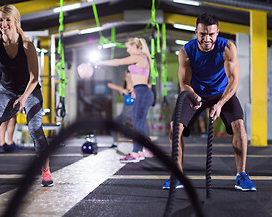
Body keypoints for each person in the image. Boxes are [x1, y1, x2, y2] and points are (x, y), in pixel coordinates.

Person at [163, 13, 256, 191]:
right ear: (196, 32)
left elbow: (234, 80)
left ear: (217, 33)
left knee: (239, 126)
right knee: (175, 127)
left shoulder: (227, 47)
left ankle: (241, 175)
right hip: (195, 93)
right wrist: (194, 96)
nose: (207, 38)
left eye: (211, 34)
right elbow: (184, 83)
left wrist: (220, 103)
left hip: (221, 93)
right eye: (203, 34)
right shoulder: (186, 51)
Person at [0, 4, 53, 187]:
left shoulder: (27, 45)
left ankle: (46, 172)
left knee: (35, 129)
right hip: (6, 91)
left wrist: (23, 99)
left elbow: (34, 79)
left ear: (15, 21)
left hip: (30, 91)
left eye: (8, 19)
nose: (4, 23)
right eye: (1, 20)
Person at [97, 37, 154, 162]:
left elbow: (118, 62)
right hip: (141, 91)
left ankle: (136, 152)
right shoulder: (144, 56)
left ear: (135, 47)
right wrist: (134, 89)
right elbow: (141, 76)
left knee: (138, 123)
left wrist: (101, 62)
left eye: (129, 47)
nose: (128, 50)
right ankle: (139, 151)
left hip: (143, 92)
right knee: (138, 123)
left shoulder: (138, 57)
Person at [107, 70, 151, 148]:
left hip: (136, 115)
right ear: (125, 78)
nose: (129, 78)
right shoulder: (122, 88)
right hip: (124, 115)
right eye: (127, 77)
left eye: (131, 76)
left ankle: (146, 141)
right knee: (114, 122)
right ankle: (115, 142)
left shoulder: (137, 88)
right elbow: (109, 84)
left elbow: (150, 85)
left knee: (144, 122)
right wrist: (123, 90)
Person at [0, 65, 20, 152]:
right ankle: (2, 144)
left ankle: (10, 142)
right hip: (1, 97)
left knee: (13, 118)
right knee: (3, 119)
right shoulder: (1, 68)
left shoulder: (16, 69)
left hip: (12, 96)